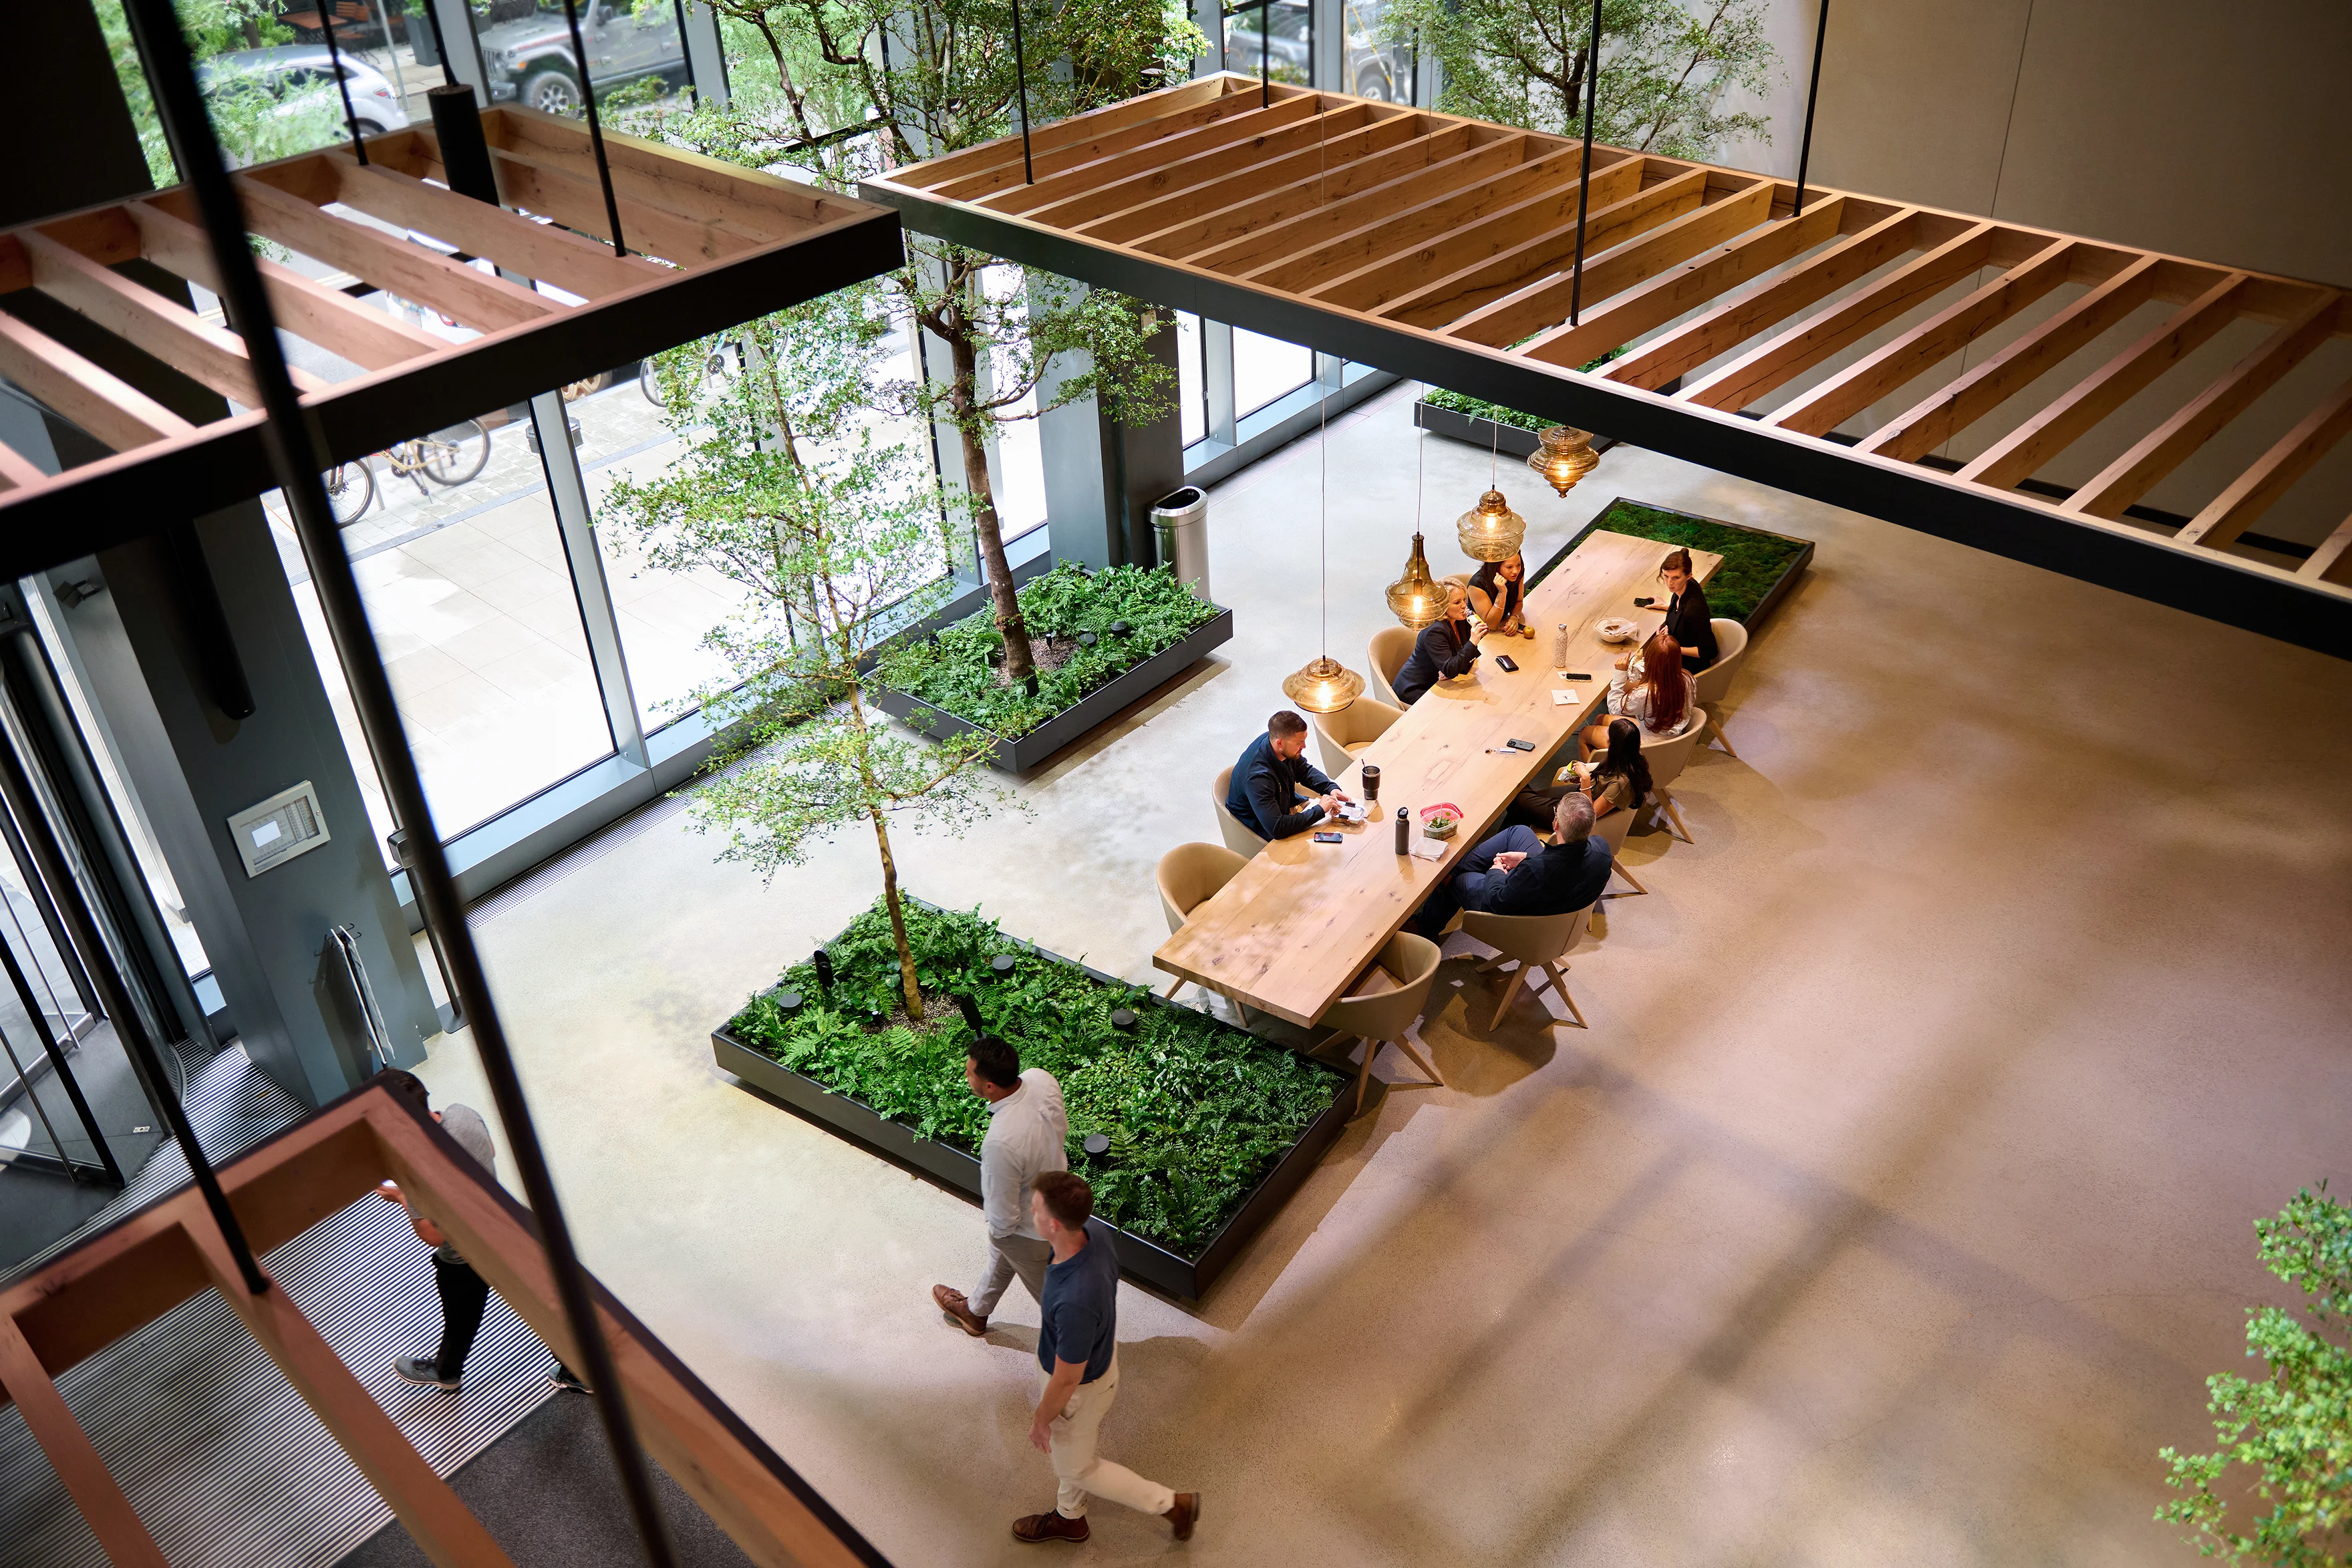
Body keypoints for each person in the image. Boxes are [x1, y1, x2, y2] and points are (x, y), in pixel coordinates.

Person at [1011, 1171, 1199, 1545]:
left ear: (1052, 1223)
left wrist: (1041, 1419)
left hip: (1077, 1389)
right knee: (1073, 1452)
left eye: (1034, 1210)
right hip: (1096, 1360)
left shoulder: (1075, 1300)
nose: (1028, 1214)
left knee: (1079, 1468)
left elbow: (1067, 1379)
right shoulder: (1094, 1234)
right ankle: (1070, 1518)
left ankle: (1172, 1504)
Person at [384, 1102, 585, 1395]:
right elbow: (490, 1150)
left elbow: (432, 1236)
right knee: (540, 1305)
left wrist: (402, 1196)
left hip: (463, 1252)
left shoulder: (413, 1165)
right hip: (502, 1226)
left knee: (460, 1317)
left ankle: (446, 1373)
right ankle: (579, 1370)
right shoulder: (462, 1114)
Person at [932, 1034, 1066, 1337]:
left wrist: (1003, 1236)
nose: (966, 1076)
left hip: (1031, 1231)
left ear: (989, 1087)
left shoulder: (1001, 1141)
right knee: (1002, 1253)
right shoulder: (1040, 1079)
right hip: (1059, 1196)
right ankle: (975, 1313)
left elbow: (1004, 1218)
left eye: (970, 1073)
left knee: (1056, 1303)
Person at [1413, 792, 1610, 939]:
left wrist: (1496, 871)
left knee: (1460, 881)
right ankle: (1451, 874)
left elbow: (1498, 900)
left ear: (1556, 824)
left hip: (1520, 921)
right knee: (1520, 832)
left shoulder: (1535, 870)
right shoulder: (1602, 851)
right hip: (1557, 887)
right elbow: (1558, 864)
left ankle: (1426, 926)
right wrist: (1525, 858)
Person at [1225, 710, 1351, 840]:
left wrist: (1331, 788)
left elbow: (1305, 771)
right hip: (1264, 829)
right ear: (1280, 743)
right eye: (1299, 743)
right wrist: (1320, 810)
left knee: (1339, 824)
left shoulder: (1278, 743)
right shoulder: (1258, 779)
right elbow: (1277, 828)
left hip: (1285, 806)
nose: (1305, 746)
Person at [1582, 629, 1695, 757]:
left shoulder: (1645, 693)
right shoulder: (1688, 678)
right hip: (1669, 735)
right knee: (1600, 718)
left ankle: (1589, 776)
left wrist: (1620, 674)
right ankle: (1607, 763)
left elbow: (1614, 708)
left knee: (1585, 733)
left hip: (1646, 746)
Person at [1391, 581, 1483, 707]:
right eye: (1457, 602)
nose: (1464, 606)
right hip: (1416, 688)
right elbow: (1453, 667)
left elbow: (1462, 663)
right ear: (1442, 607)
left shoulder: (1461, 620)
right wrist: (1471, 644)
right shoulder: (1434, 630)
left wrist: (1452, 666)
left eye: (1464, 600)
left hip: (1440, 683)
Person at [1657, 548, 1718, 671]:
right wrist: (1665, 606)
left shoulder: (1693, 611)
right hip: (1675, 658)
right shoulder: (1684, 589)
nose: (1670, 583)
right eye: (1666, 576)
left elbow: (1710, 651)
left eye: (1676, 578)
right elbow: (1681, 614)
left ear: (1689, 576)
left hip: (1687, 669)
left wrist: (1670, 647)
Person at [1465, 552, 1534, 639]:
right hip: (1481, 635)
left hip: (1502, 626)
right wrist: (1502, 593)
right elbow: (1491, 625)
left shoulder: (1518, 574)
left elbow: (1519, 601)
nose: (1516, 571)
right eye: (1509, 567)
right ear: (1496, 567)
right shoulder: (1477, 585)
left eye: (1518, 565)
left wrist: (1514, 617)